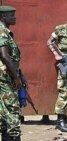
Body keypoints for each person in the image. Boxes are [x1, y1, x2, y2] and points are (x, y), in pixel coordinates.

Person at [0, 5, 26, 141]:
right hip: (6, 79)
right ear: (4, 17)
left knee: (4, 115)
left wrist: (20, 74)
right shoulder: (2, 32)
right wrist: (16, 78)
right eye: (12, 15)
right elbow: (4, 56)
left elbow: (11, 58)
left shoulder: (6, 32)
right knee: (13, 113)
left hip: (7, 77)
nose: (14, 18)